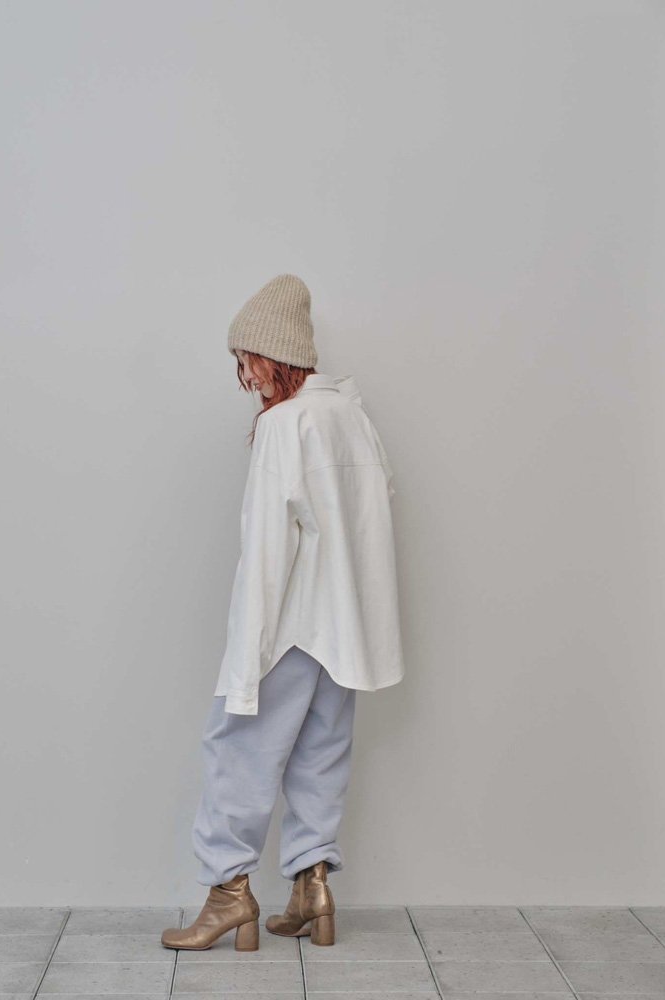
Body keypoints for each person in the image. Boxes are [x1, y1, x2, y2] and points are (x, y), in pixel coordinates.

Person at [161, 273, 405, 952]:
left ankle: (228, 895)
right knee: (320, 754)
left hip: (292, 627)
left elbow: (268, 549)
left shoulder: (284, 424)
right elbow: (374, 519)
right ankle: (311, 888)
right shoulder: (353, 417)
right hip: (347, 631)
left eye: (247, 359)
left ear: (274, 355)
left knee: (237, 751)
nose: (244, 376)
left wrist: (248, 654)